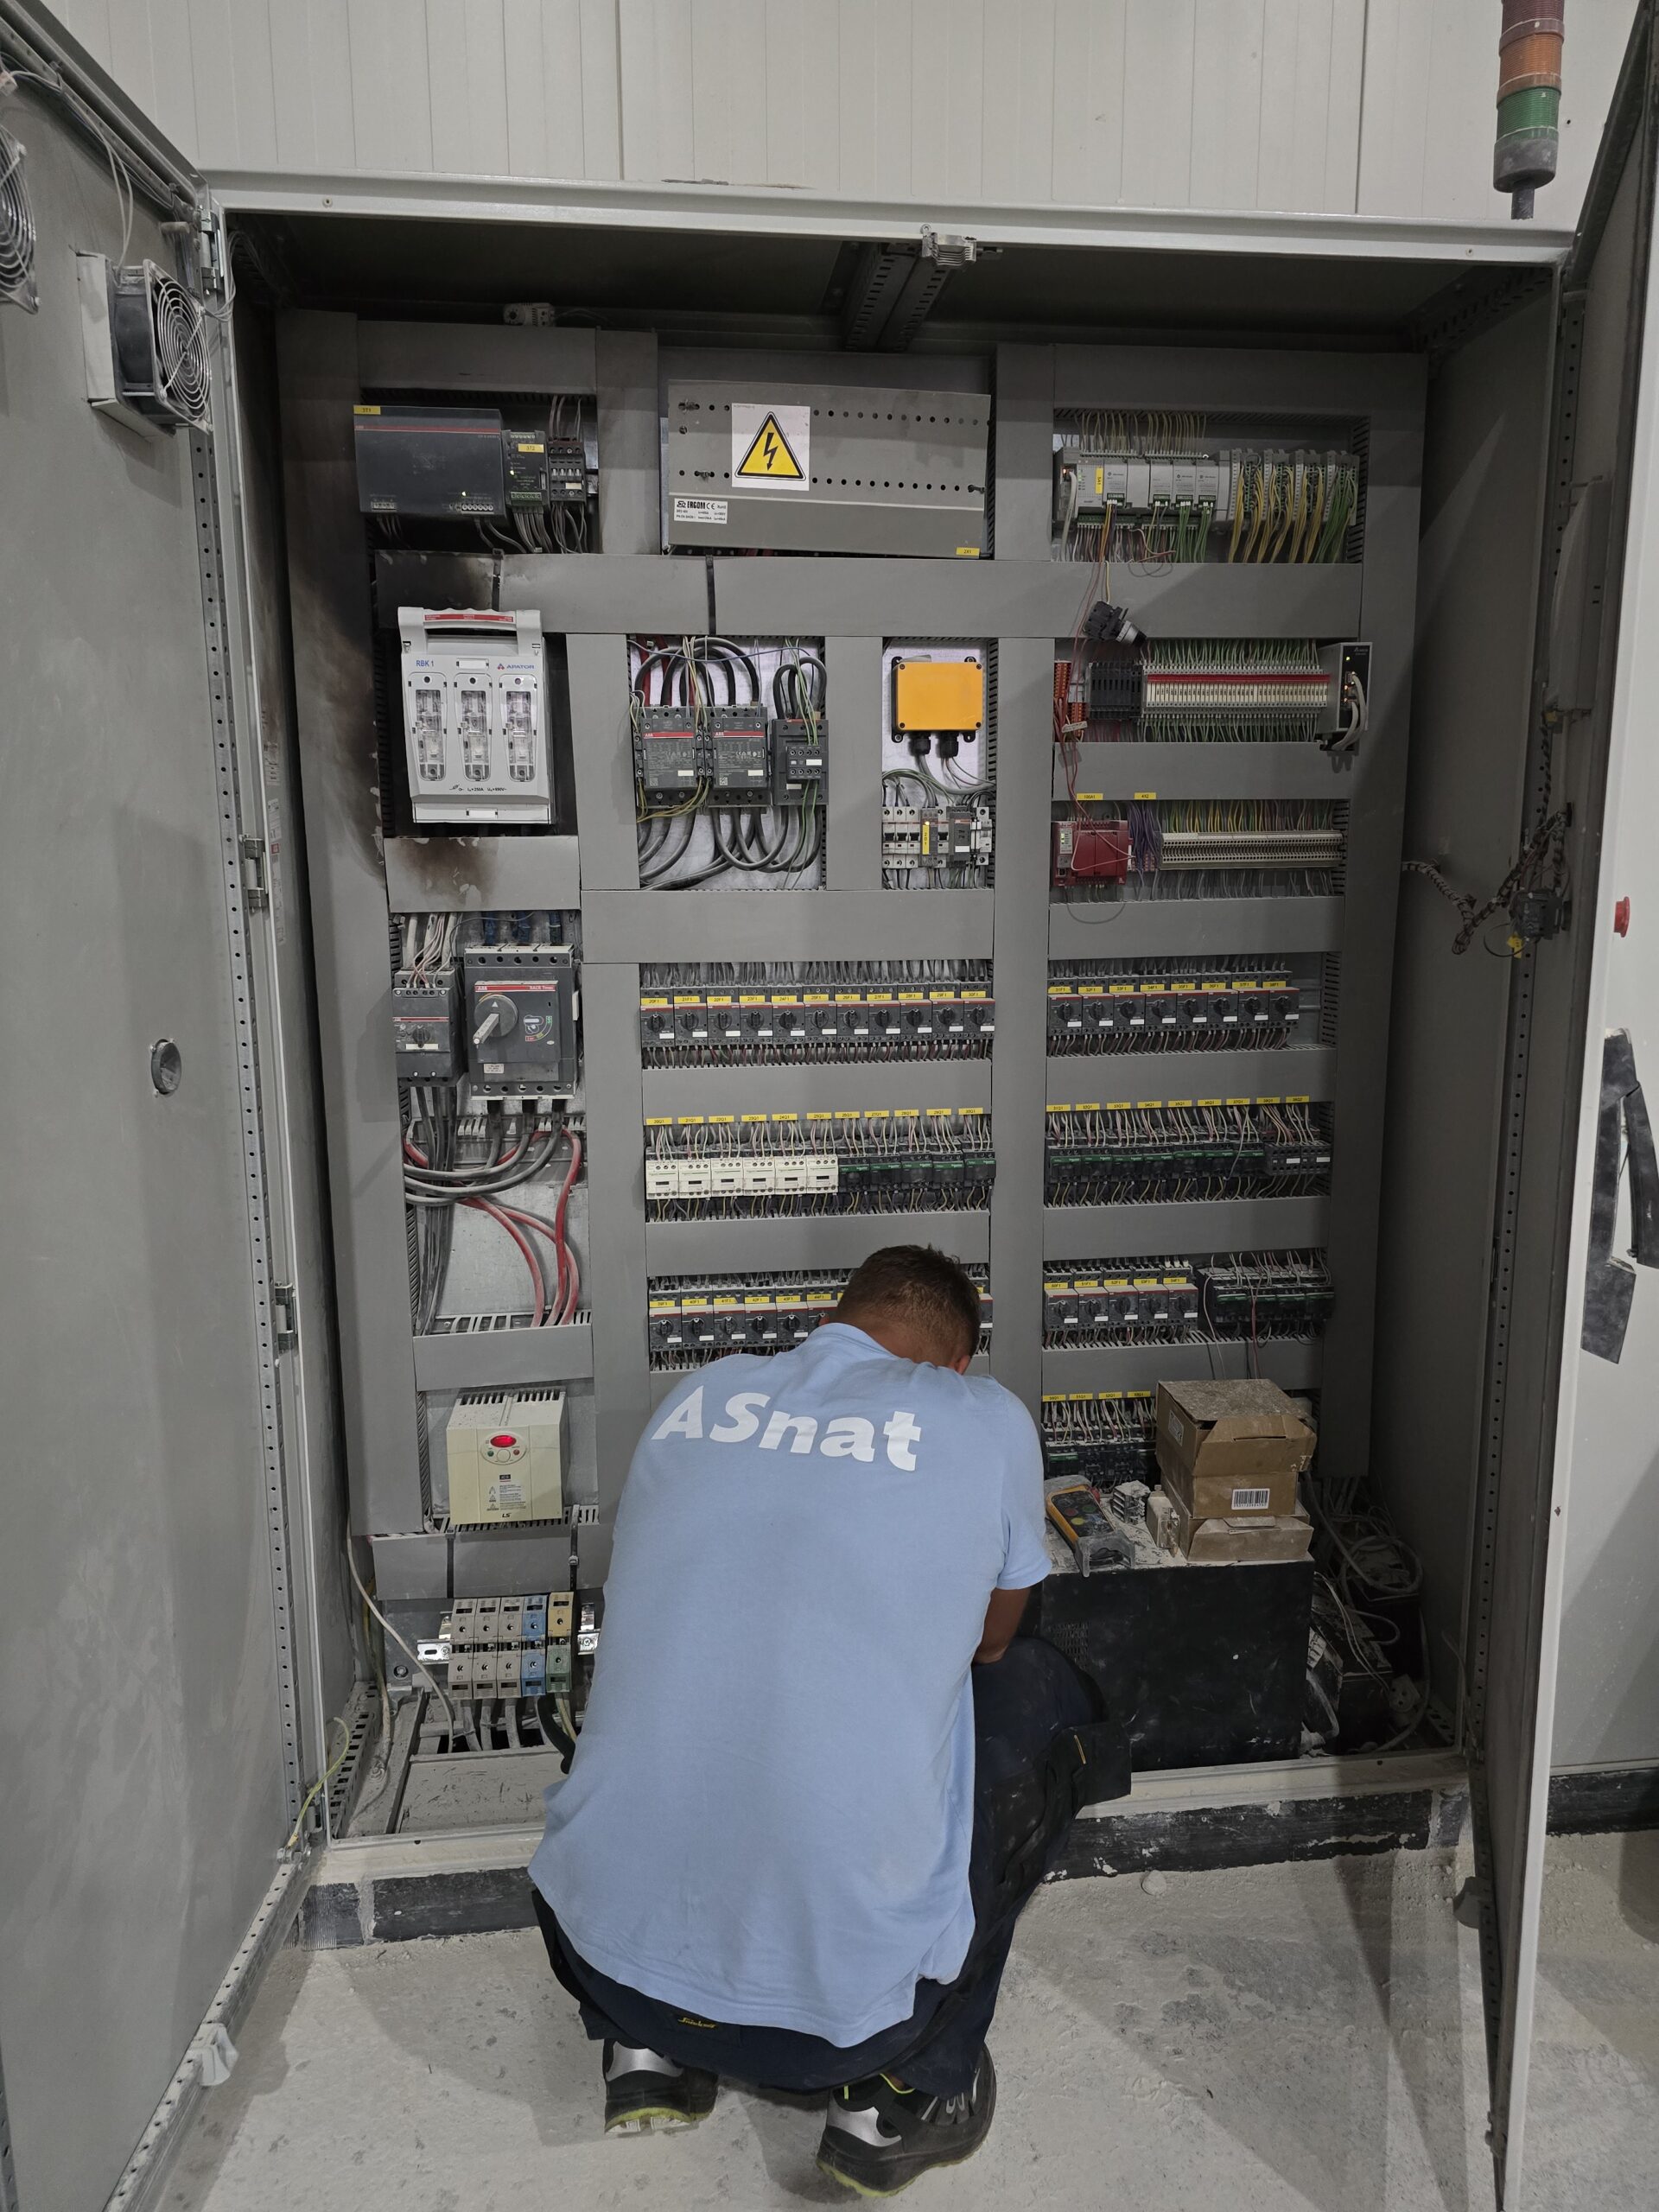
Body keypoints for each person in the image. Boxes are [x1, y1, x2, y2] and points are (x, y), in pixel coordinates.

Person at [529, 1243, 1127, 2196]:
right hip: (845, 2029)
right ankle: (899, 2098)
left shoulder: (702, 1390)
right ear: (955, 1362)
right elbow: (989, 1639)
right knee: (1038, 1697)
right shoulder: (983, 1415)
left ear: (831, 1322)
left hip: (596, 1959)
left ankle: (651, 2055)